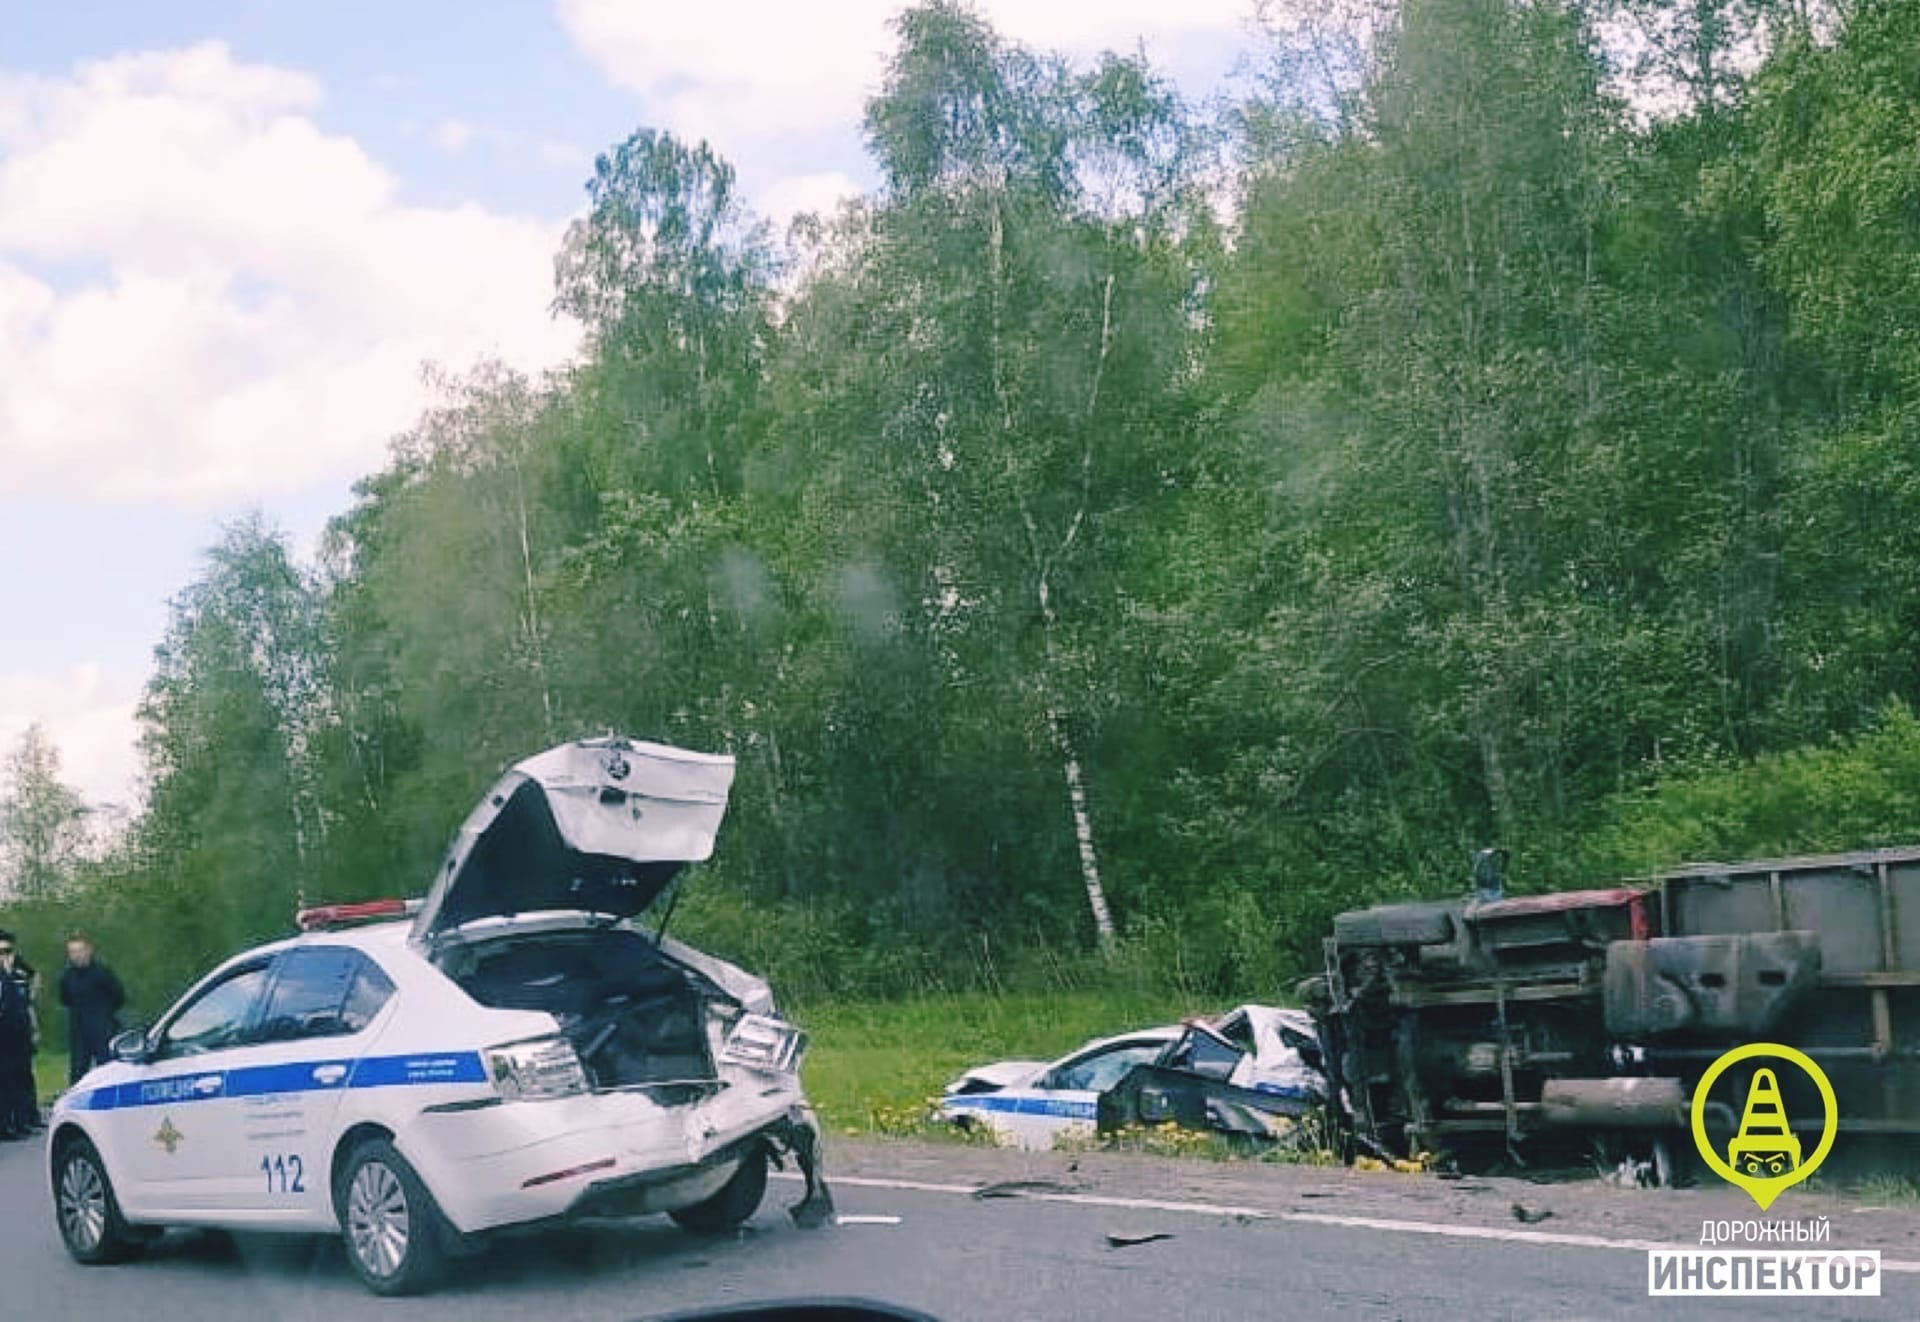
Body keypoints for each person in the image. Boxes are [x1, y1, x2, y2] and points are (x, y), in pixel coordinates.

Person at [59, 933, 125, 1086]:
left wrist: (105, 1013)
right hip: (79, 1031)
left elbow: (118, 996)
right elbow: (65, 999)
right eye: (73, 952)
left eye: (80, 950)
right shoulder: (67, 976)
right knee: (77, 1071)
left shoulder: (102, 972)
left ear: (89, 950)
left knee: (107, 1069)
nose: (77, 955)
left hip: (103, 1029)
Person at [0, 931, 38, 1139]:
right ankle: (6, 1125)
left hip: (19, 1035)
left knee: (21, 1078)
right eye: (1, 952)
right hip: (4, 1038)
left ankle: (22, 1121)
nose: (5, 956)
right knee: (6, 1082)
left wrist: (34, 1028)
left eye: (8, 951)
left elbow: (25, 1005)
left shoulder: (15, 975)